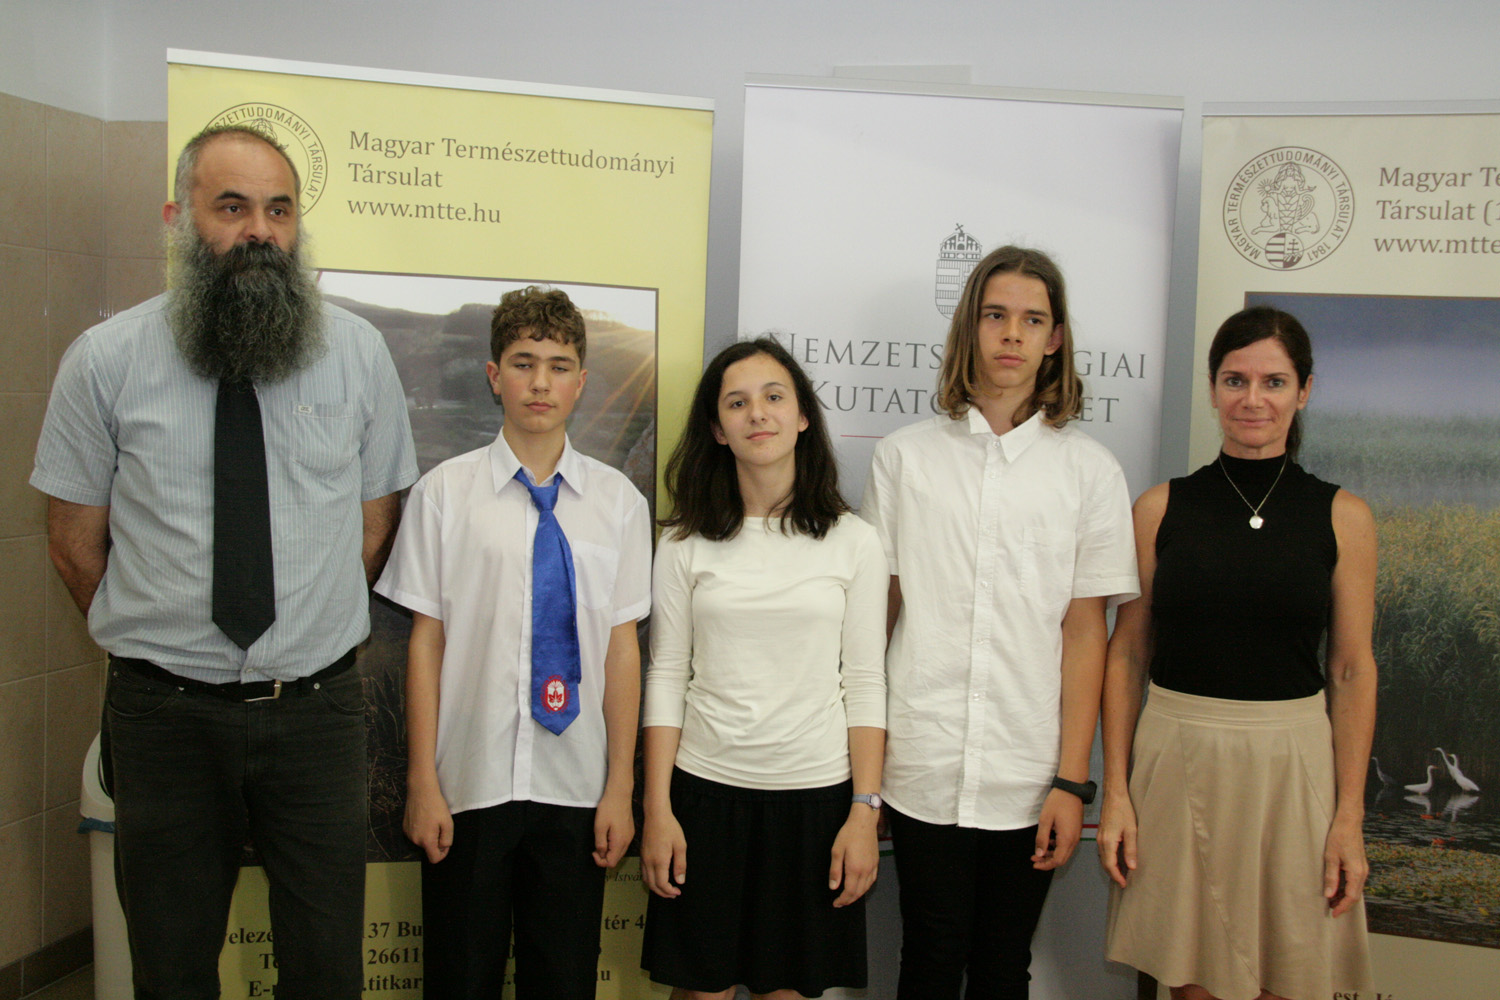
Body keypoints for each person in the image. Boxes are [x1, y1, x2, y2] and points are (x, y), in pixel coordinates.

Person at [31, 124, 418, 999]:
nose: (259, 232)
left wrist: (305, 624)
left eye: (279, 210)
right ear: (179, 219)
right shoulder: (105, 361)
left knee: (326, 970)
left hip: (316, 713)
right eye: (232, 207)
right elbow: (73, 544)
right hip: (165, 720)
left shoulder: (357, 353)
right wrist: (161, 638)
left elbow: (373, 525)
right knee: (170, 967)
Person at [860, 246, 1138, 999]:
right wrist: (867, 775)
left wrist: (1071, 781)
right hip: (921, 765)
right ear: (970, 327)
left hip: (1028, 773)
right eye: (995, 315)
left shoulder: (1089, 472)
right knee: (927, 959)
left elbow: (1085, 634)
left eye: (1032, 319)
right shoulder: (905, 459)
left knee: (1002, 966)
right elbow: (877, 620)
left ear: (1055, 338)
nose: (1012, 333)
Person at [375, 285, 651, 998]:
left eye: (559, 367)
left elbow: (622, 650)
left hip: (577, 786)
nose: (540, 383)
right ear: (495, 376)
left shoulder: (620, 505)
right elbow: (426, 643)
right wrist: (422, 780)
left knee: (563, 979)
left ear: (581, 383)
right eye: (524, 363)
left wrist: (620, 787)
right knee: (459, 978)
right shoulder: (444, 494)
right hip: (468, 785)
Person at [1099, 306, 1376, 1000]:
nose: (1253, 399)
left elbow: (1350, 670)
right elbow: (1126, 656)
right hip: (1176, 760)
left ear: (1304, 391)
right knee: (1191, 980)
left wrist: (1349, 817)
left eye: (1273, 382)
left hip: (1293, 769)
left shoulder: (1344, 517)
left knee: (1290, 974)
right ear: (1213, 389)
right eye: (1235, 380)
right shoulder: (1159, 509)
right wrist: (1118, 793)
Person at [640, 337, 887, 999]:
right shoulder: (683, 542)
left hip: (816, 804)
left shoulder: (856, 541)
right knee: (703, 992)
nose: (758, 413)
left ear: (802, 416)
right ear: (718, 430)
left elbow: (866, 681)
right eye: (738, 402)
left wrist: (864, 813)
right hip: (703, 797)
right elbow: (666, 675)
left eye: (774, 397)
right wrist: (657, 809)